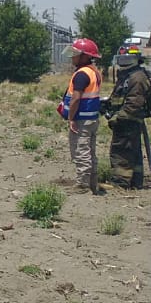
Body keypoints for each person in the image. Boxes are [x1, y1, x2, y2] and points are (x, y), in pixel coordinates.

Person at [58, 37, 103, 195]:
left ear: (84, 56)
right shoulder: (93, 72)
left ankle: (82, 185)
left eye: (75, 54)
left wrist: (70, 118)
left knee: (81, 151)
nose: (72, 57)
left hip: (81, 119)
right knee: (90, 151)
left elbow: (76, 98)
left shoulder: (82, 74)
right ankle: (93, 183)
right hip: (92, 118)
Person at [104, 45, 150, 189]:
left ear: (136, 59)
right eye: (121, 57)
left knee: (121, 151)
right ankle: (136, 183)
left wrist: (117, 119)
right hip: (126, 120)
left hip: (128, 121)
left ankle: (120, 183)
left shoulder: (137, 77)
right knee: (133, 152)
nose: (123, 61)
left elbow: (133, 104)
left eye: (127, 58)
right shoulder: (128, 75)